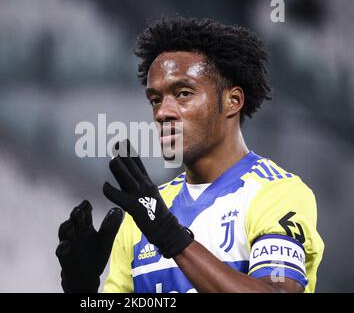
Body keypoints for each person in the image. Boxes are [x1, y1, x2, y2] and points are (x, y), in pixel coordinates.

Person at [56, 17, 324, 293]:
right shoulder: (146, 212)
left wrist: (170, 236)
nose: (162, 113)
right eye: (155, 100)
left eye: (183, 93)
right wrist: (83, 292)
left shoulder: (276, 193)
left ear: (232, 101)